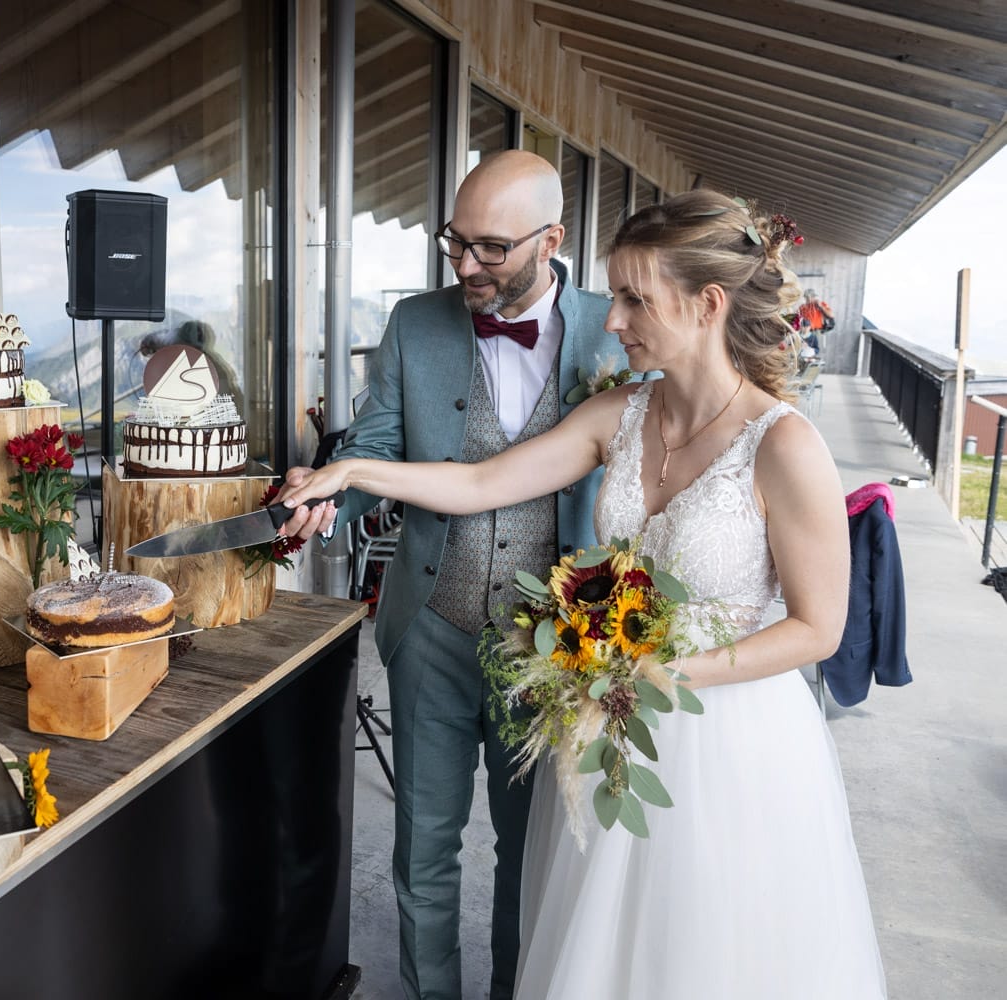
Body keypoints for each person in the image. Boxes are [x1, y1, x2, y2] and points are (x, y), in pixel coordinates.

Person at [282, 190, 888, 999]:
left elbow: (820, 627)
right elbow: (480, 481)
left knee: (702, 950)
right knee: (597, 944)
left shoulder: (785, 445)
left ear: (708, 305)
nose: (614, 319)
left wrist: (666, 677)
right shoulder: (622, 411)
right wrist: (353, 470)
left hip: (729, 744)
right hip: (609, 729)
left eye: (637, 299)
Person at [286, 150, 624, 999]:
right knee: (422, 848)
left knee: (529, 852)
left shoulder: (613, 332)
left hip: (554, 649)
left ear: (550, 240)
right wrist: (331, 497)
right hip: (429, 625)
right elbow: (375, 448)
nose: (466, 265)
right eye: (454, 243)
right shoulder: (415, 322)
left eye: (491, 249)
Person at [796, 287, 835, 353]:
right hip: (804, 332)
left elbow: (831, 315)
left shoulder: (820, 304)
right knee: (802, 350)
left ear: (814, 297)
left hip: (816, 331)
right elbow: (797, 319)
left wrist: (820, 306)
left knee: (814, 350)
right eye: (806, 297)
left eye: (810, 297)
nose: (808, 299)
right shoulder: (803, 307)